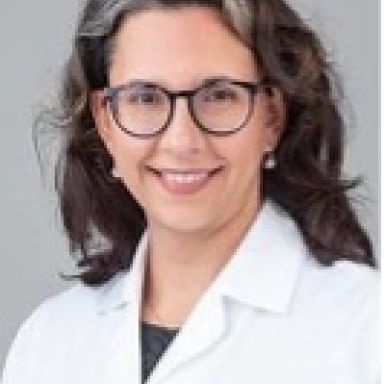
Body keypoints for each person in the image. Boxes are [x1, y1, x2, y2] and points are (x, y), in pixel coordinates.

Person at [2, 0, 379, 383]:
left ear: (271, 117)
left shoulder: (365, 329)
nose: (181, 141)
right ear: (105, 122)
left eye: (218, 95)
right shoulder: (49, 339)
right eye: (145, 97)